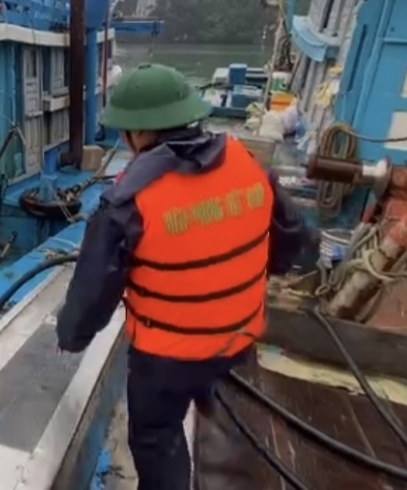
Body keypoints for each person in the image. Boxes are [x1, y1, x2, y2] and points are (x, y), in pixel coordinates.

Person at [55, 64, 310, 490]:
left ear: (137, 134)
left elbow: (92, 295)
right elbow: (292, 241)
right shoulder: (246, 163)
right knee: (218, 404)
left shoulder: (127, 201)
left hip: (166, 360)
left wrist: (70, 337)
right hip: (237, 339)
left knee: (157, 440)